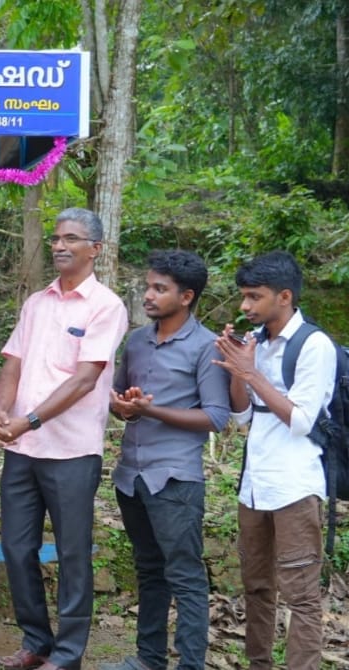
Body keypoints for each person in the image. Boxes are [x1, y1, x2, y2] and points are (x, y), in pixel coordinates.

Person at [0, 208, 128, 670]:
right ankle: (36, 643)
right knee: (16, 547)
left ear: (95, 249)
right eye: (56, 238)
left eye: (71, 238)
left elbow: (85, 379)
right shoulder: (37, 303)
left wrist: (27, 420)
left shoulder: (106, 306)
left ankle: (66, 655)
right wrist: (2, 412)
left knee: (71, 552)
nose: (60, 245)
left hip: (71, 451)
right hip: (22, 449)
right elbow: (13, 363)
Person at [99, 251, 230, 670]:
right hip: (130, 477)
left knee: (186, 577)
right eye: (148, 286)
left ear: (186, 296)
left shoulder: (207, 346)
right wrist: (123, 406)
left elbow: (216, 416)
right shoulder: (137, 341)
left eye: (160, 289)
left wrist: (150, 410)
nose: (148, 295)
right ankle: (149, 658)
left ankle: (190, 664)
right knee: (149, 570)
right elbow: (120, 400)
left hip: (175, 480)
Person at [213, 251, 331, 670]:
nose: (245, 305)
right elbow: (243, 416)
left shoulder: (314, 345)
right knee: (257, 586)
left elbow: (301, 420)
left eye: (254, 296)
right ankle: (258, 664)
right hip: (254, 484)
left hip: (295, 484)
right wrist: (236, 366)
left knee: (301, 595)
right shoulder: (256, 342)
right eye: (243, 296)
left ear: (284, 296)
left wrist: (251, 373)